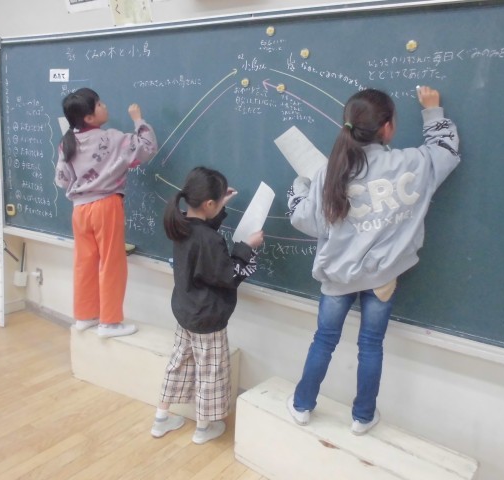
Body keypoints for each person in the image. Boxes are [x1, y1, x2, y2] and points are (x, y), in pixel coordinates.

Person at [285, 86, 459, 435]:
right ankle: (363, 417)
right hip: (382, 279)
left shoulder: (329, 173)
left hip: (338, 278)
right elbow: (445, 151)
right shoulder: (409, 164)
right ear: (388, 127)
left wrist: (299, 189)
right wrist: (432, 110)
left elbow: (305, 219)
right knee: (370, 345)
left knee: (324, 340)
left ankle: (302, 406)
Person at [150, 166, 264, 444]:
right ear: (208, 203)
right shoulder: (209, 239)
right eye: (219, 200)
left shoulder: (180, 224)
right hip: (207, 317)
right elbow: (228, 274)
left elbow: (202, 235)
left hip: (186, 312)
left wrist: (221, 205)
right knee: (210, 372)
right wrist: (247, 247)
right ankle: (203, 428)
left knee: (178, 363)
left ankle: (161, 419)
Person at [55, 87, 157, 338]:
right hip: (106, 206)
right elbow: (147, 147)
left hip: (79, 210)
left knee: (84, 262)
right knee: (111, 262)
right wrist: (138, 120)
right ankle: (109, 323)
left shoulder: (66, 143)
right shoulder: (112, 138)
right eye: (99, 104)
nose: (105, 106)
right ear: (89, 117)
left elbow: (62, 180)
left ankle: (85, 316)